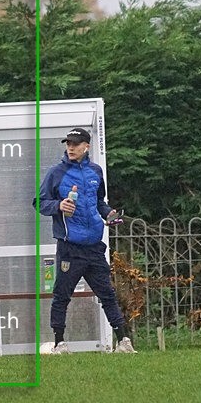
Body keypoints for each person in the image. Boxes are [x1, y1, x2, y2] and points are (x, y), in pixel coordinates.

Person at [36, 127, 136, 354]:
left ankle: (124, 342)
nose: (70, 147)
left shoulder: (95, 172)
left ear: (86, 146)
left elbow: (99, 202)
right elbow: (40, 203)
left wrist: (109, 214)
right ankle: (59, 344)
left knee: (107, 294)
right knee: (62, 296)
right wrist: (59, 206)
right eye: (68, 144)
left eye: (75, 143)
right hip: (70, 248)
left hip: (94, 247)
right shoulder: (56, 173)